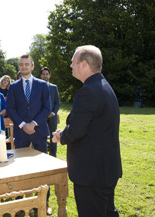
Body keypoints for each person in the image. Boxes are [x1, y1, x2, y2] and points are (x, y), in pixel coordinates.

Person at [52, 45, 122, 217]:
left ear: (83, 64)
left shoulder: (88, 92)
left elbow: (77, 131)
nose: (71, 66)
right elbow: (92, 125)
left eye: (73, 62)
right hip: (105, 169)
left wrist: (61, 136)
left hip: (91, 173)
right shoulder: (104, 86)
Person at [6, 54, 51, 153]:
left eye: (27, 64)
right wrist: (23, 125)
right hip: (21, 132)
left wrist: (33, 124)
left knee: (43, 163)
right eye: (21, 64)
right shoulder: (13, 86)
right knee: (21, 163)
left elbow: (47, 108)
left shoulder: (43, 85)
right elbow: (9, 108)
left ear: (32, 66)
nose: (24, 66)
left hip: (39, 131)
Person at [40, 67, 60, 157]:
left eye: (46, 74)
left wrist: (53, 112)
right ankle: (43, 156)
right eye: (43, 74)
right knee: (42, 138)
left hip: (52, 117)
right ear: (41, 76)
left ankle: (53, 157)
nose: (45, 76)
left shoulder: (54, 87)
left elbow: (57, 103)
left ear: (49, 75)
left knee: (53, 138)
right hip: (41, 118)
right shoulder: (37, 87)